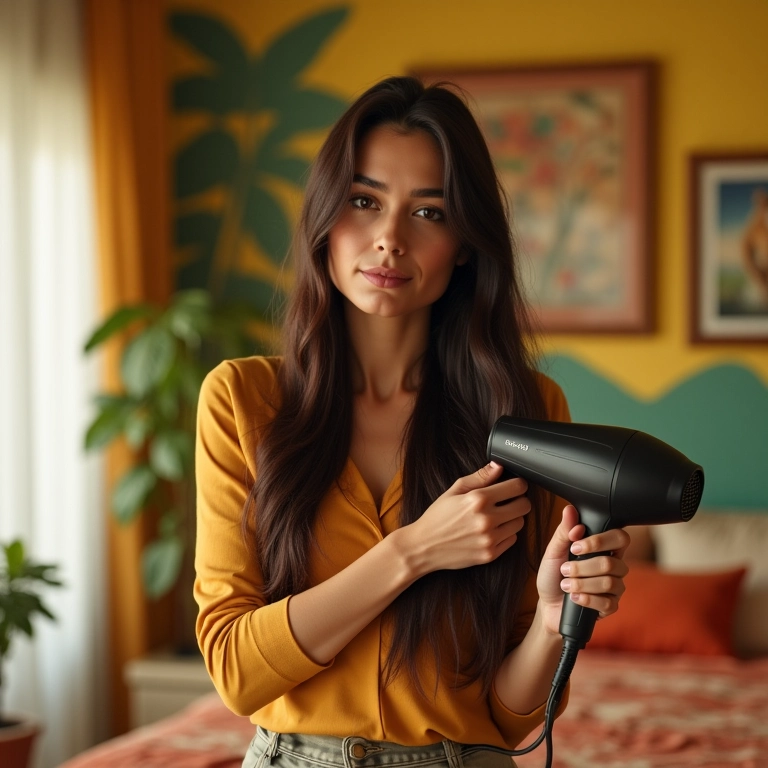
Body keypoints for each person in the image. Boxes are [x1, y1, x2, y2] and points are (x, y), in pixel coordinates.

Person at [194, 76, 630, 768]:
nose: (390, 239)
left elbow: (511, 720)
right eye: (364, 202)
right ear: (324, 219)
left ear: (463, 243)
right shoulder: (243, 401)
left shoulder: (528, 413)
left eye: (428, 213)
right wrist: (414, 551)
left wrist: (552, 617)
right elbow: (237, 672)